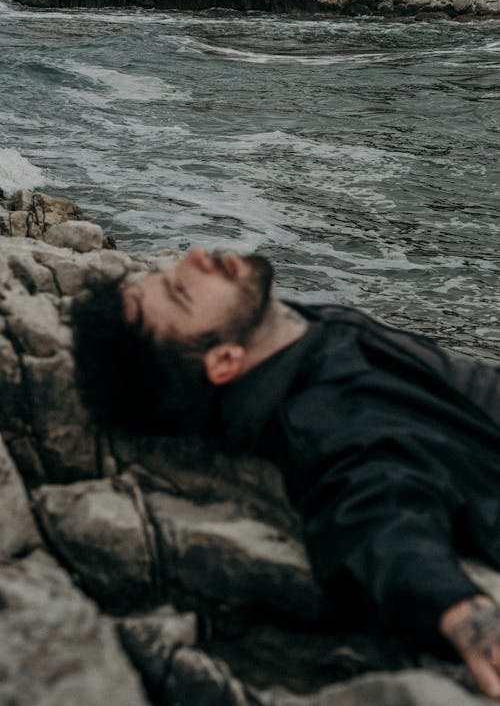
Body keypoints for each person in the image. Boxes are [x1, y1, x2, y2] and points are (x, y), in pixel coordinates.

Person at [72, 245, 500, 699]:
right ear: (222, 362)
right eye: (182, 292)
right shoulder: (323, 417)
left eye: (168, 276)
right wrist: (461, 612)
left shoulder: (290, 345)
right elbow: (375, 511)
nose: (196, 256)